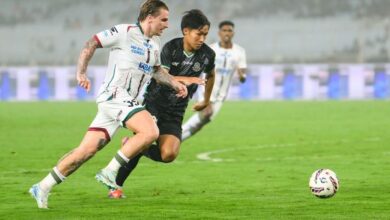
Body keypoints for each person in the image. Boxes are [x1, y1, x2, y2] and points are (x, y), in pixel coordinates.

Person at [29, 0, 187, 209]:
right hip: (115, 96)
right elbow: (91, 43)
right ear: (150, 17)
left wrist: (175, 83)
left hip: (125, 104)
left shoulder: (154, 45)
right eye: (164, 19)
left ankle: (42, 186)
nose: (167, 25)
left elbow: (156, 71)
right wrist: (81, 72)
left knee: (85, 152)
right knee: (150, 132)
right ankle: (109, 172)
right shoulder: (124, 32)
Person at [106, 9, 216, 198]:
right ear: (186, 31)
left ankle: (133, 143)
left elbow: (211, 75)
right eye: (199, 34)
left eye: (205, 34)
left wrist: (205, 100)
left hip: (176, 110)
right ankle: (115, 187)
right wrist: (187, 80)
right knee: (141, 145)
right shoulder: (169, 49)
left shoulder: (207, 55)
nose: (202, 39)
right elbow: (160, 76)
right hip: (155, 104)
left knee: (169, 154)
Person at [181, 20, 247, 141]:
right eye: (224, 30)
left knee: (203, 121)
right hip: (207, 90)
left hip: (221, 96)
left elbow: (243, 75)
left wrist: (242, 76)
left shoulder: (239, 51)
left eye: (229, 30)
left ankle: (176, 139)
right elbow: (200, 70)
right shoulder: (211, 50)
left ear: (233, 33)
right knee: (206, 113)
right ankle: (172, 137)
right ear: (219, 33)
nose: (227, 33)